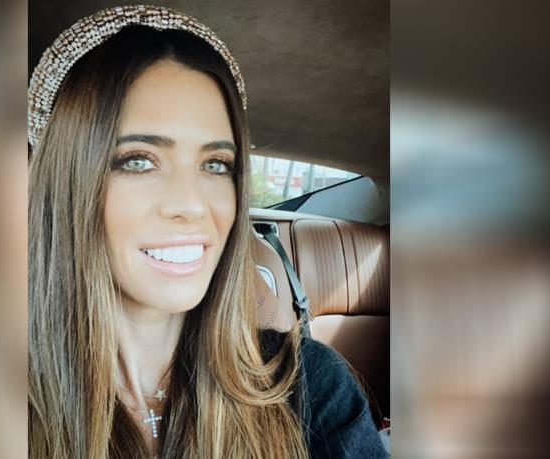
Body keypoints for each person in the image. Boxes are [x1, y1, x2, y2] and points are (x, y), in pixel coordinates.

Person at [28, 5, 388, 458]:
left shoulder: (309, 386)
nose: (193, 205)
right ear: (65, 184)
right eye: (138, 160)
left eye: (216, 165)